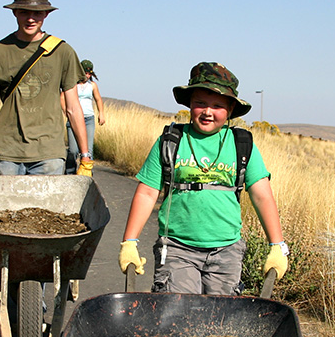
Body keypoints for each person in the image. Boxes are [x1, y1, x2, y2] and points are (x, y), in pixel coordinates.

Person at [118, 62, 289, 295]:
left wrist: (277, 246)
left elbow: (262, 196)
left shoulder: (242, 144)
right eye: (201, 103)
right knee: (177, 318)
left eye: (218, 106)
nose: (208, 112)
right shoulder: (171, 140)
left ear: (230, 110)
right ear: (189, 104)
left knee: (219, 322)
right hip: (177, 249)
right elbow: (147, 193)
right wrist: (129, 242)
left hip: (227, 252)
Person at [0, 0, 92, 177]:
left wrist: (85, 157)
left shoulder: (62, 52)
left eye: (37, 13)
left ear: (46, 14)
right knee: (8, 207)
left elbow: (73, 107)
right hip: (8, 151)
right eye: (24, 12)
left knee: (48, 208)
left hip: (49, 152)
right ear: (15, 12)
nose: (30, 18)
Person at [64, 59, 105, 174]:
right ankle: (70, 174)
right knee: (73, 150)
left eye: (89, 73)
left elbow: (98, 99)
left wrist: (101, 113)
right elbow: (62, 97)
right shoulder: (72, 84)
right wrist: (65, 111)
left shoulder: (92, 85)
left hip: (88, 119)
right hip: (74, 119)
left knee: (88, 150)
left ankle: (87, 175)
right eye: (85, 73)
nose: (87, 75)